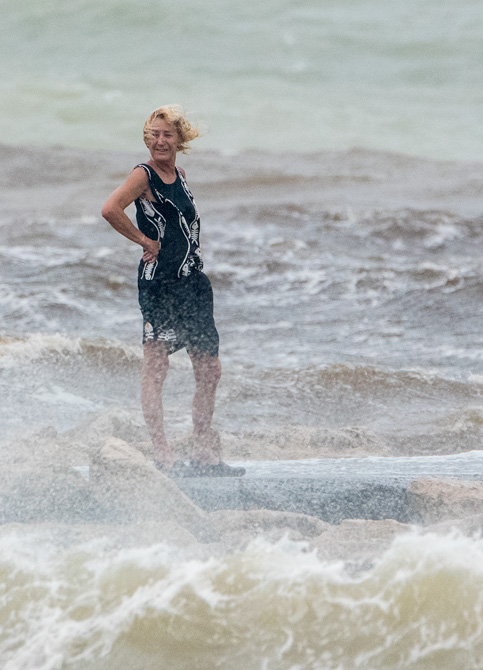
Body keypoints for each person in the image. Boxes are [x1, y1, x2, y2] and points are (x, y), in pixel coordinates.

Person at [102, 105, 245, 478]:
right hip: (161, 286)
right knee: (156, 366)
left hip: (193, 283)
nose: (160, 141)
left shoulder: (179, 175)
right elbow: (110, 209)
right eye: (154, 134)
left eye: (167, 134)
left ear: (180, 139)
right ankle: (163, 455)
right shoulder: (143, 175)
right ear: (147, 138)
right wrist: (143, 240)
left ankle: (203, 452)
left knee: (209, 369)